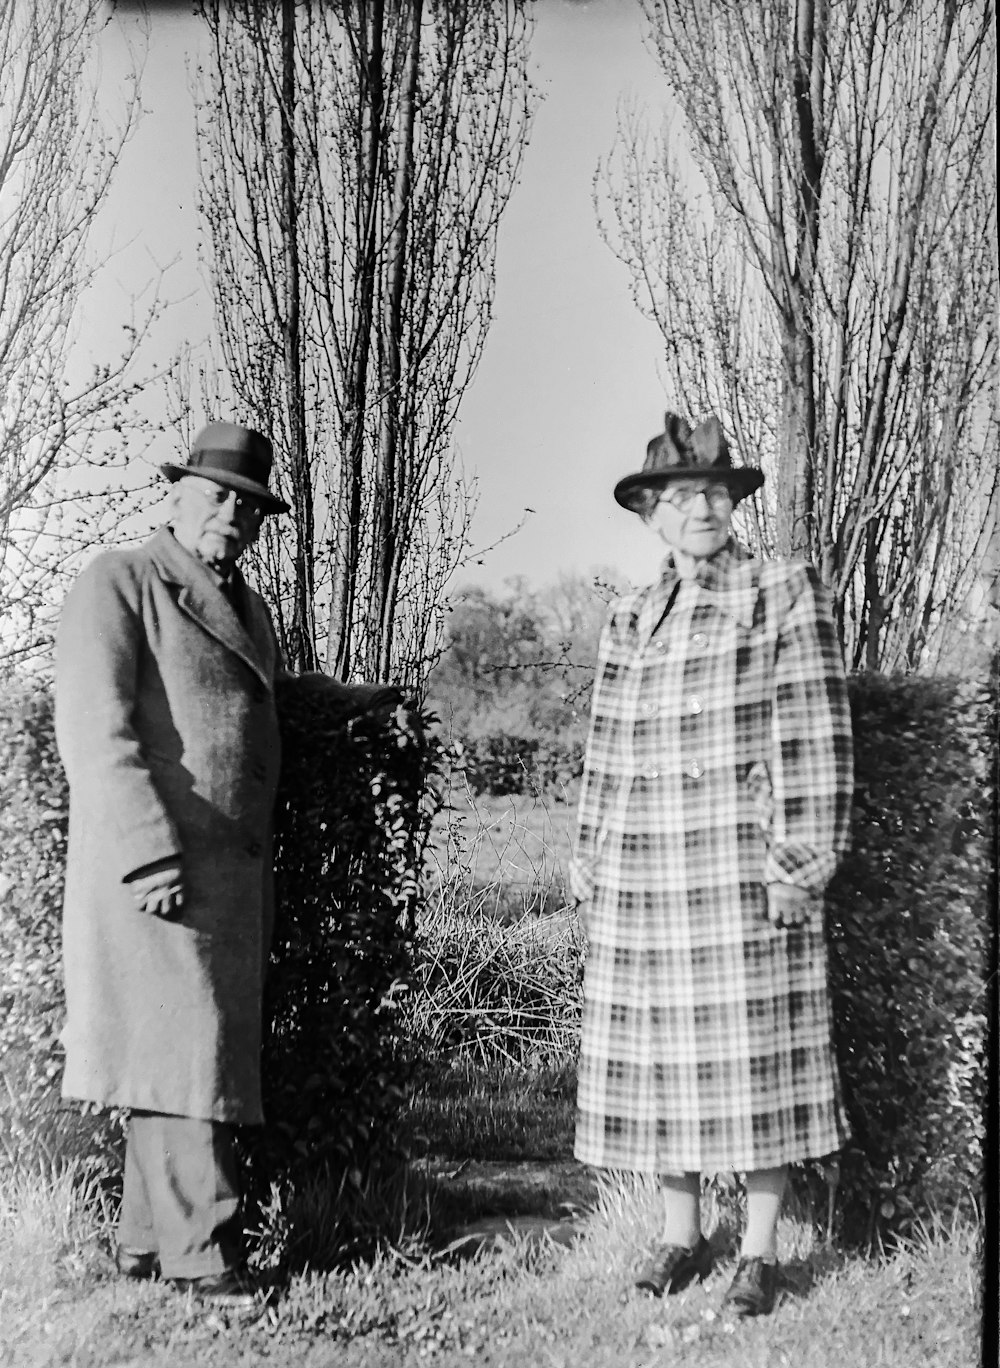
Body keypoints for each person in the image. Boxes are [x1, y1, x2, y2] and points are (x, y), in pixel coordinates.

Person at [54, 422, 392, 1308]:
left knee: (172, 1056)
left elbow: (262, 702)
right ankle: (203, 1257)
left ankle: (140, 1243)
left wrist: (356, 704)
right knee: (184, 1058)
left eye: (250, 507)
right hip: (158, 870)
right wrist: (145, 854)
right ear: (175, 493)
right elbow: (98, 733)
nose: (233, 516)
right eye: (216, 496)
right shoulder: (120, 582)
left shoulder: (249, 607)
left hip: (229, 881)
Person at [569, 412, 853, 1318]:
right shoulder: (628, 617)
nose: (702, 508)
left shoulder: (782, 591)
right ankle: (679, 1236)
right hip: (648, 881)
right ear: (650, 513)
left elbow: (814, 734)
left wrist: (798, 861)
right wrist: (592, 856)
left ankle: (761, 1255)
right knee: (660, 1065)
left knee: (755, 1063)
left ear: (734, 503)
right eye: (681, 496)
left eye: (716, 492)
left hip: (740, 874)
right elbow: (606, 749)